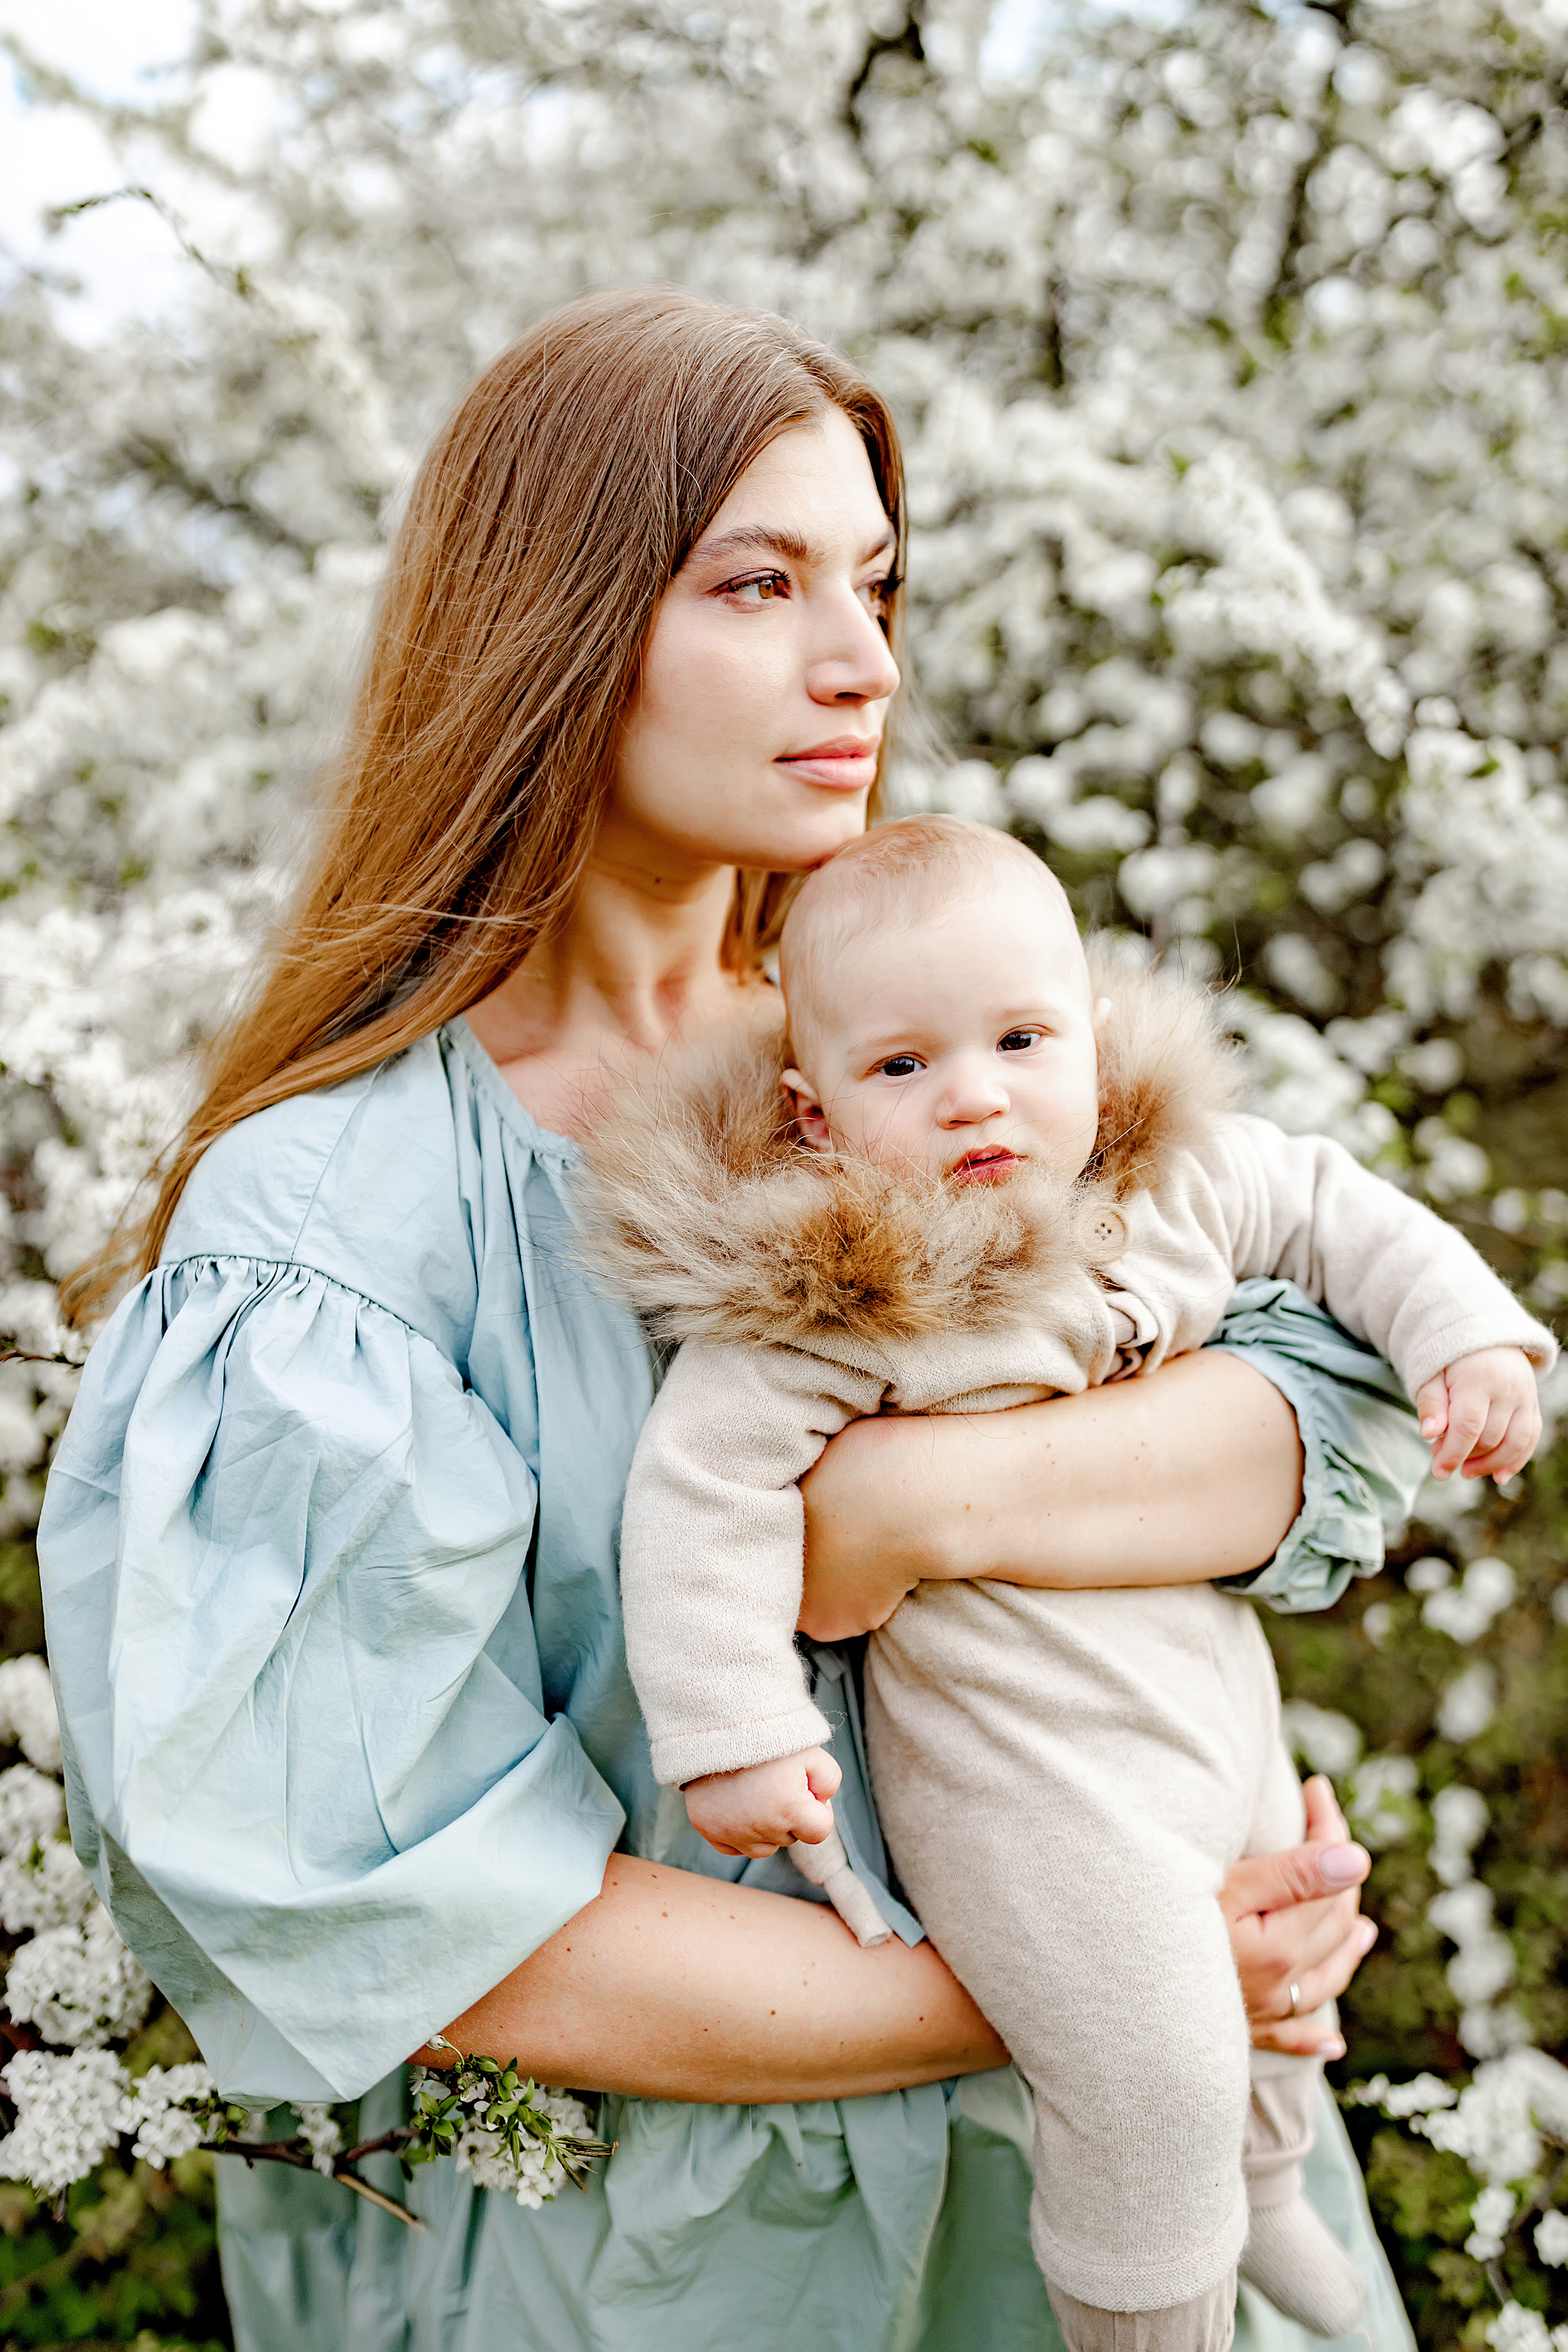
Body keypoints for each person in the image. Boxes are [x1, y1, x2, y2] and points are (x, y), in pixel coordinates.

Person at [39, 287, 1430, 2352]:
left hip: (1150, 2180)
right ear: (561, 627)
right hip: (677, 2270)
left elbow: (1341, 1405)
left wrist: (916, 1503)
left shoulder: (924, 1049)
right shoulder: (341, 1230)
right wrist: (1120, 1974)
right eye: (757, 584)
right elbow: (413, 1903)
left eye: (874, 581)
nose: (862, 662)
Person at [581, 812, 1551, 2352]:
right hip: (1025, 1787)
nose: (973, 1094)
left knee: (1283, 1963)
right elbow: (701, 1492)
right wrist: (735, 1730)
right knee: (1148, 2070)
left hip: (1204, 1707)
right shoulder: (831, 1298)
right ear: (813, 1115)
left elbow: (1333, 1210)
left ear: (1090, 1045)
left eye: (1019, 1039)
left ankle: (1277, 2190)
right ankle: (1148, 2321)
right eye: (901, 1068)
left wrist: (1466, 1338)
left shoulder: (1173, 1184)